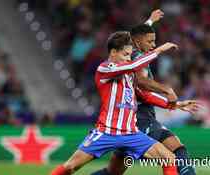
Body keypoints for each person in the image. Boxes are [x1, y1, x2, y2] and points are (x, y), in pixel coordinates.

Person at [50, 31, 197, 175]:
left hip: (131, 133)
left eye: (130, 55)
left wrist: (175, 104)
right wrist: (158, 50)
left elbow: (144, 96)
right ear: (113, 53)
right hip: (107, 132)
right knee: (70, 167)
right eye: (125, 55)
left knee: (169, 158)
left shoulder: (129, 75)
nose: (128, 58)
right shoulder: (104, 68)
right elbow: (133, 65)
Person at [91, 10, 197, 175]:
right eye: (150, 41)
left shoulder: (131, 50)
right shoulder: (135, 56)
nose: (153, 45)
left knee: (114, 172)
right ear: (137, 41)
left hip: (129, 120)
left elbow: (136, 34)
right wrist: (166, 90)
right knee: (177, 149)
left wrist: (150, 21)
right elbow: (140, 83)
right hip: (139, 116)